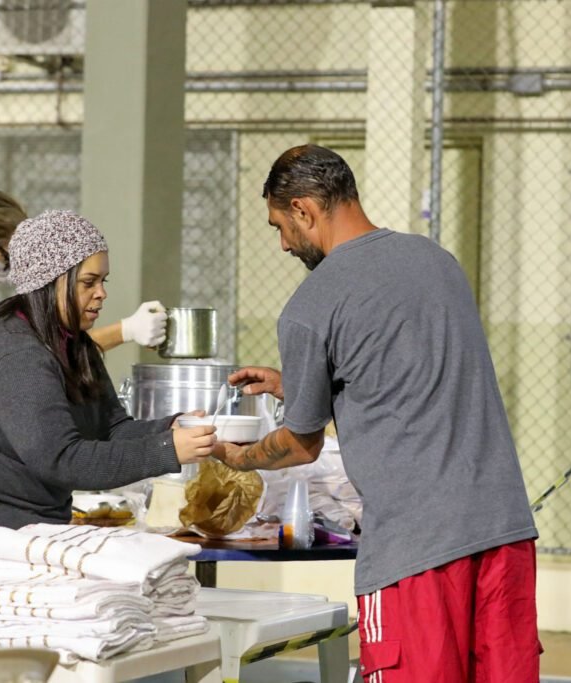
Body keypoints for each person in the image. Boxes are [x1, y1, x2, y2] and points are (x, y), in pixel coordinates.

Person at [212, 145, 539, 682]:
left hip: (416, 548)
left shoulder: (311, 305)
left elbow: (301, 444)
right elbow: (409, 377)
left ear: (302, 210)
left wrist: (236, 457)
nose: (283, 244)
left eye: (279, 227)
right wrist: (297, 386)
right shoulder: (437, 261)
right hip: (502, 529)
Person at [0, 210, 216, 539]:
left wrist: (170, 429)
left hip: (5, 529)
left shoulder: (74, 344)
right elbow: (60, 460)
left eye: (103, 281)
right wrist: (166, 450)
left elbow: (110, 429)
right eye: (88, 282)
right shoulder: (16, 353)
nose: (102, 293)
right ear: (49, 283)